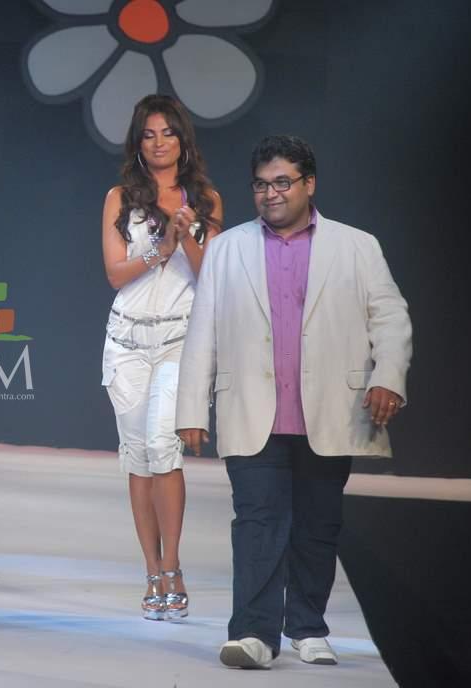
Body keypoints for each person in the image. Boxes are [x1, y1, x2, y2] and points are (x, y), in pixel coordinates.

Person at [176, 135, 412, 669]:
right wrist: (191, 409)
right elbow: (203, 330)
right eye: (261, 185)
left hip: (330, 408)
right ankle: (253, 633)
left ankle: (307, 626)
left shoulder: (356, 246)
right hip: (251, 407)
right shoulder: (228, 248)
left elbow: (390, 317)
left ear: (309, 184)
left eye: (282, 182)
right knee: (256, 521)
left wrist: (388, 377)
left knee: (317, 524)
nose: (271, 194)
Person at [100, 94, 222, 622]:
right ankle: (151, 572)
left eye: (167, 133)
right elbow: (115, 274)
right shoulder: (120, 198)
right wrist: (160, 248)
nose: (158, 143)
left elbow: (212, 274)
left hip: (179, 339)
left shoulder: (205, 199)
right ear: (138, 142)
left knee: (162, 447)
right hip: (126, 339)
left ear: (182, 139)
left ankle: (173, 567)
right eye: (149, 134)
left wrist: (185, 233)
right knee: (137, 455)